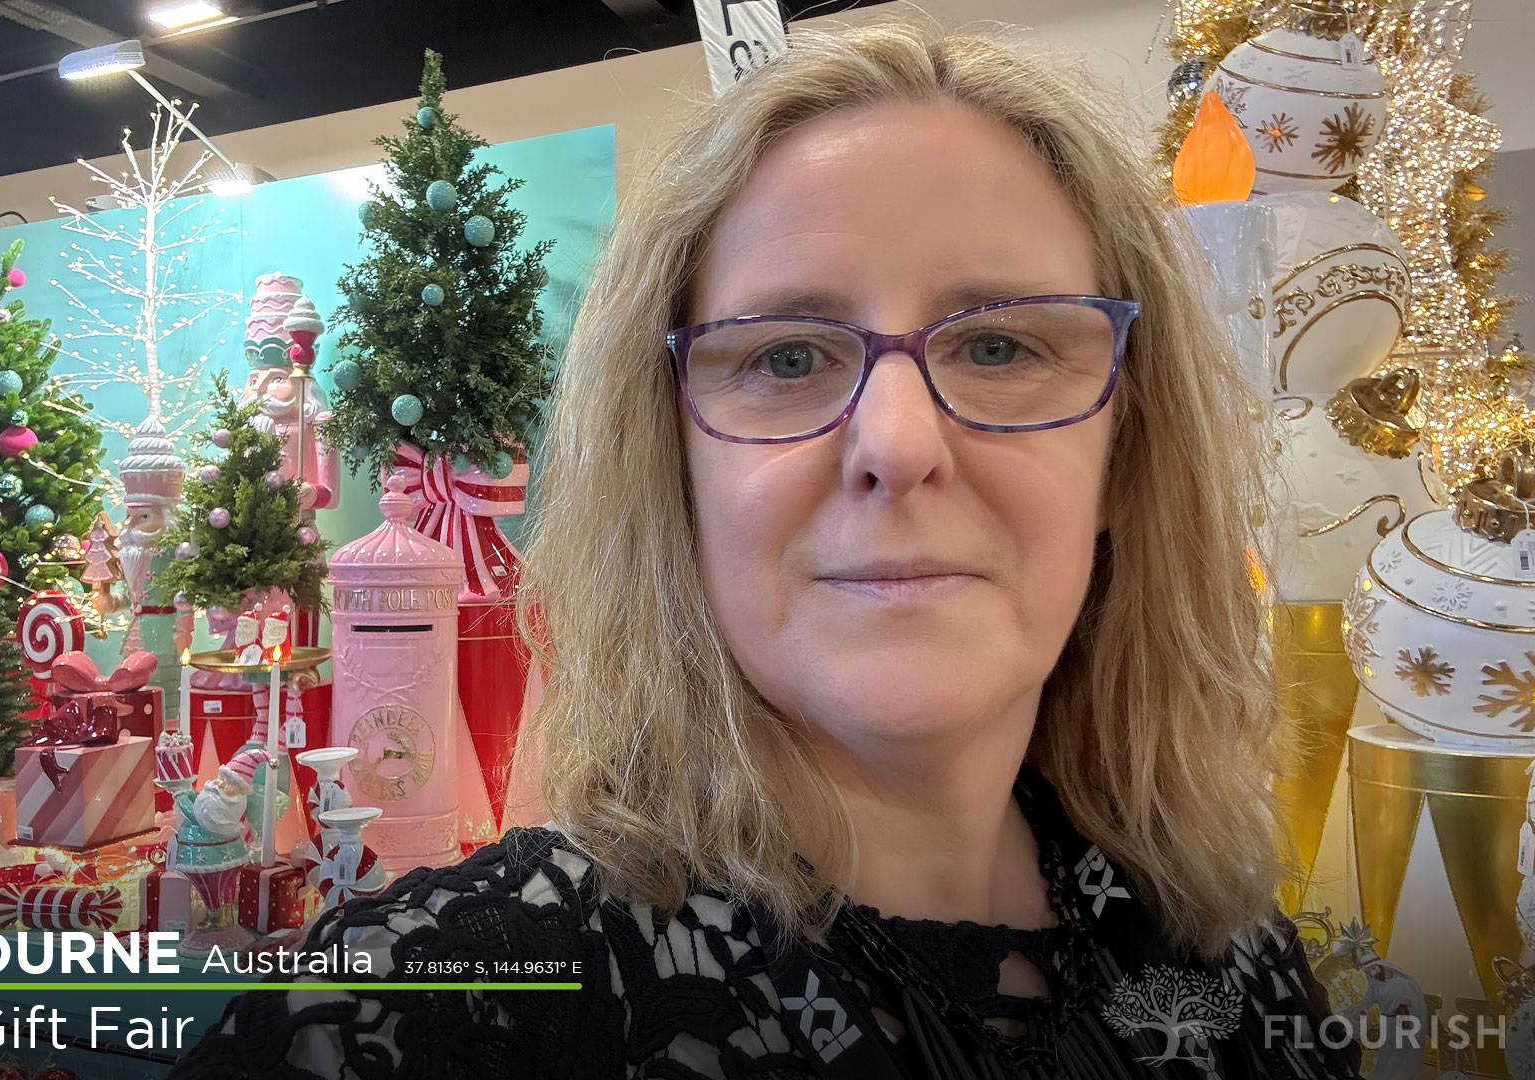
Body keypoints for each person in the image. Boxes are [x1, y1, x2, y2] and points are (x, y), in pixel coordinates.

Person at [172, 19, 1358, 1080]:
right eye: (787, 358)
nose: (897, 444)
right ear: (673, 469)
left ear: (1126, 453)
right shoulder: (418, 1011)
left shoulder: (1237, 962)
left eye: (999, 347)